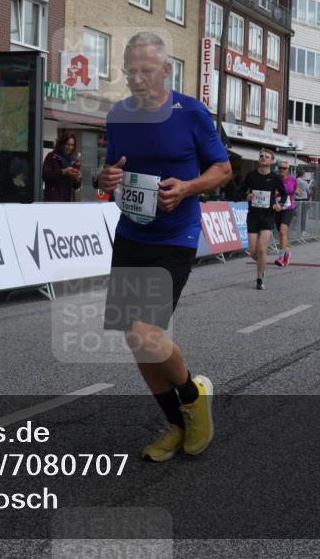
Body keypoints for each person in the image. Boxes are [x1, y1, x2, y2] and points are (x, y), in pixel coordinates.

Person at [94, 31, 231, 462]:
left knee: (146, 333)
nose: (137, 79)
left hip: (175, 236)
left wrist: (188, 186)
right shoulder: (118, 115)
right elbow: (112, 172)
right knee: (138, 343)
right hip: (131, 233)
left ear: (166, 70)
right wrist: (104, 181)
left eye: (146, 71)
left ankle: (194, 395)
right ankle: (175, 424)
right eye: (130, 71)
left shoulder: (190, 112)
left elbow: (223, 169)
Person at [242, 150, 287, 285]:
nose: (263, 158)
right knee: (253, 251)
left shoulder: (275, 178)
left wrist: (280, 204)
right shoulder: (251, 175)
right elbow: (240, 190)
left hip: (268, 216)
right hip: (253, 216)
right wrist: (246, 196)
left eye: (266, 157)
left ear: (271, 161)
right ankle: (262, 265)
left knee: (262, 248)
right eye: (261, 156)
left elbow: (284, 194)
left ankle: (259, 279)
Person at [42, 131, 82, 202]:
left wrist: (78, 179)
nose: (70, 147)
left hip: (69, 199)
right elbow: (45, 175)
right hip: (54, 199)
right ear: (62, 144)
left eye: (72, 145)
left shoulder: (74, 159)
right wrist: (63, 172)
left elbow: (75, 186)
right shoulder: (52, 156)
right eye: (67, 144)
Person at [273, 160, 296, 267]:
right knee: (281, 234)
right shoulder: (274, 179)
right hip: (277, 208)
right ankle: (286, 253)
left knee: (282, 231)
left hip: (288, 208)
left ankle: (281, 257)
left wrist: (292, 194)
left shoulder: (292, 179)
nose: (281, 170)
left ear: (288, 169)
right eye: (280, 168)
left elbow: (297, 190)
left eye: (284, 168)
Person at [293, 170, 311, 235]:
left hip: (296, 199)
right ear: (303, 175)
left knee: (295, 215)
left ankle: (294, 230)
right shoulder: (304, 182)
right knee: (303, 216)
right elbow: (308, 191)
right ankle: (302, 231)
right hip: (303, 200)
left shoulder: (295, 180)